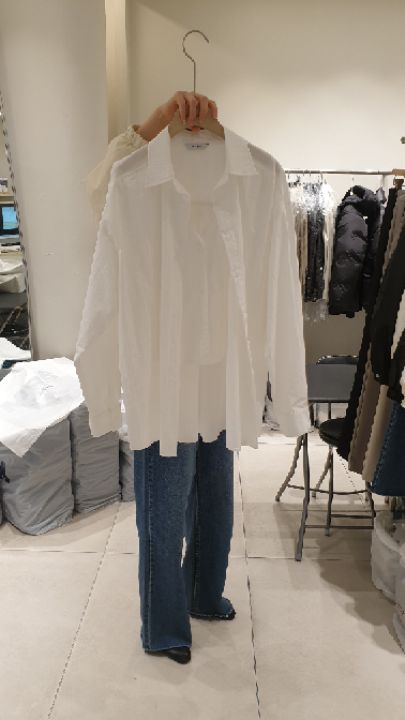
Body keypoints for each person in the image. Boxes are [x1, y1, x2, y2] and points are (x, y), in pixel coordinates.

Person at [86, 92, 235, 666]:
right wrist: (154, 125)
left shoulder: (245, 178)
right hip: (161, 374)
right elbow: (99, 197)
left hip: (220, 373)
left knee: (215, 497)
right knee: (165, 506)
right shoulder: (131, 181)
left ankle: (204, 594)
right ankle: (165, 626)